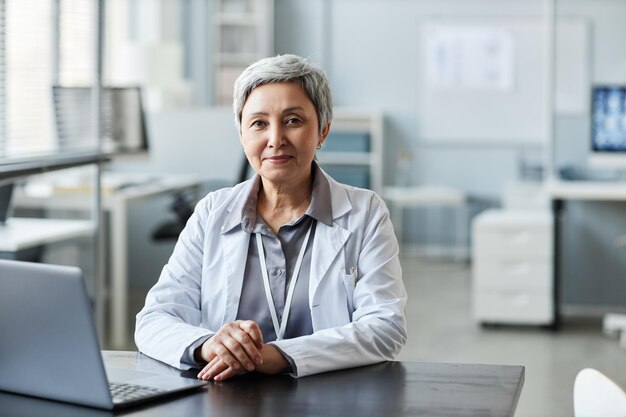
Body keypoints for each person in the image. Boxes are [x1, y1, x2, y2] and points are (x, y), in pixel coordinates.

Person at [135, 54, 407, 381]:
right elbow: (154, 319)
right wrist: (208, 346)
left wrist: (277, 356)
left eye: (293, 121)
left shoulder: (365, 214)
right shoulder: (212, 213)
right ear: (242, 134)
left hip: (328, 397)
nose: (275, 139)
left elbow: (385, 327)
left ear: (323, 131)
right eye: (259, 123)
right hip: (226, 398)